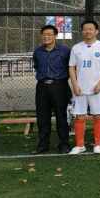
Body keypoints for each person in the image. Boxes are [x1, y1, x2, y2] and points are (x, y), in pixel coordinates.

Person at [68, 20, 100, 155]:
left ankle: (97, 145)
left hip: (97, 90)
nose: (88, 31)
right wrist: (75, 85)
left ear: (96, 31)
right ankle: (79, 145)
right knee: (79, 117)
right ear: (82, 31)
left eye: (91, 29)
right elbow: (71, 67)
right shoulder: (76, 48)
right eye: (85, 29)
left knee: (97, 117)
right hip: (80, 90)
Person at [31, 24, 72, 154]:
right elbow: (37, 66)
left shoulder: (65, 51)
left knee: (61, 117)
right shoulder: (38, 52)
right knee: (42, 117)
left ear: (55, 36)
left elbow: (71, 68)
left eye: (49, 34)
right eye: (44, 34)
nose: (46, 37)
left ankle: (64, 145)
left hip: (59, 86)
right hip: (42, 87)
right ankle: (43, 145)